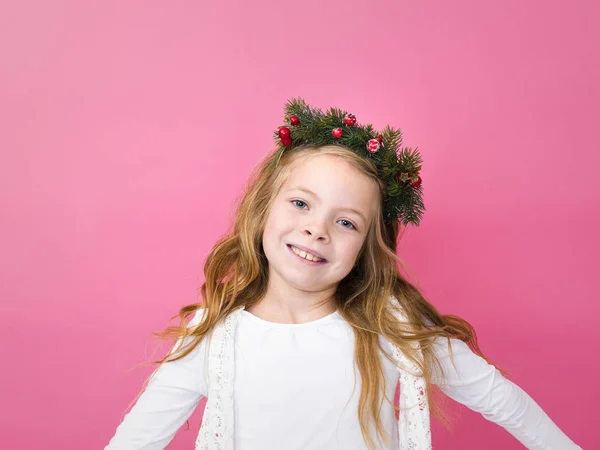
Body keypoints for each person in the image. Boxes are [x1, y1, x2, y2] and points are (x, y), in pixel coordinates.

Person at [105, 98, 582, 449]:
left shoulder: (393, 332)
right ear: (264, 209)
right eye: (300, 203)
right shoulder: (214, 336)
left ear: (366, 248)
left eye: (346, 221)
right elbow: (137, 438)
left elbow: (500, 398)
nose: (317, 229)